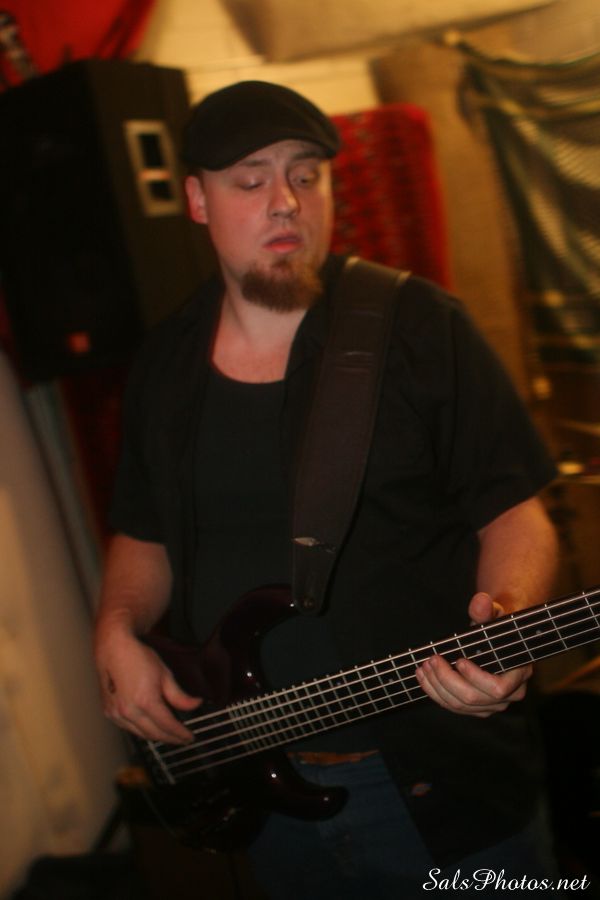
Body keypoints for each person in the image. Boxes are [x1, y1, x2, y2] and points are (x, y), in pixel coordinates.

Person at [94, 81, 562, 898]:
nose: (286, 201)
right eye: (251, 180)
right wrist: (115, 629)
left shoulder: (420, 326)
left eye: (306, 176)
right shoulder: (164, 366)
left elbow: (515, 512)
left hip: (439, 786)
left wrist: (508, 625)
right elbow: (144, 533)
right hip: (261, 793)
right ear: (197, 201)